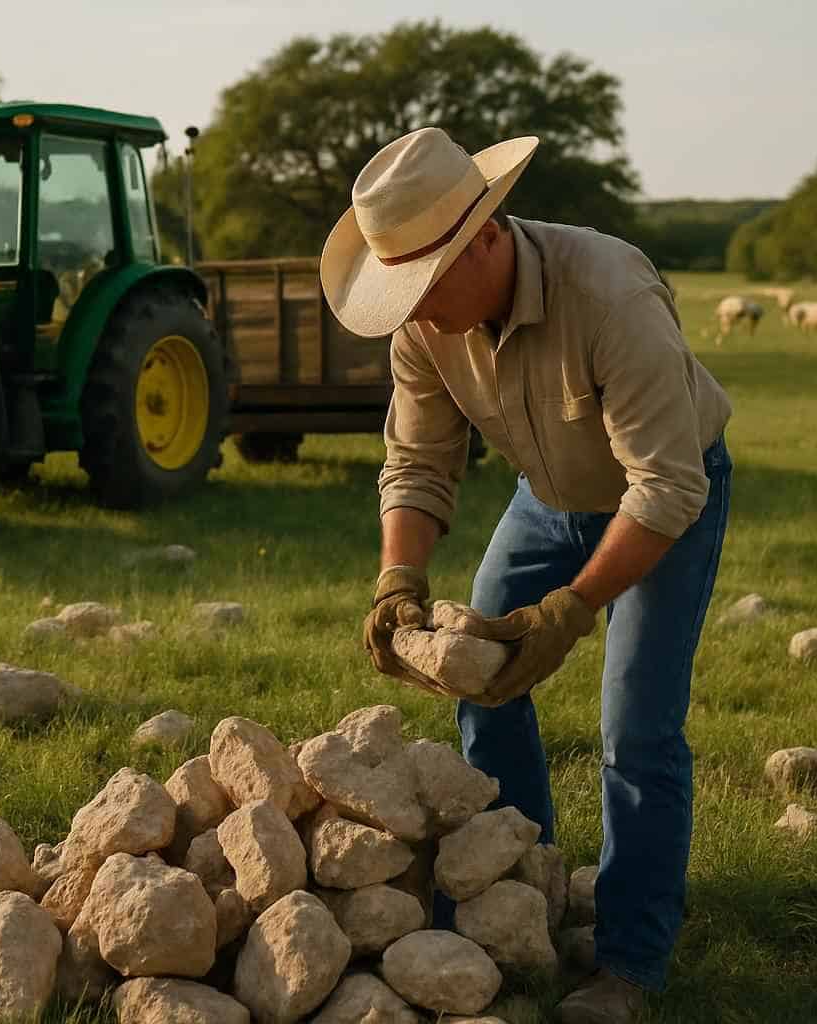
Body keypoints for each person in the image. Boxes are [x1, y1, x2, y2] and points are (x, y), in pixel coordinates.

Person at [321, 127, 732, 1024]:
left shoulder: (611, 294)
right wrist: (400, 579)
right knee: (482, 678)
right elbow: (419, 462)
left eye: (426, 288)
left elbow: (667, 487)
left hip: (664, 495)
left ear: (485, 235)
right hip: (547, 496)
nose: (418, 312)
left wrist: (572, 610)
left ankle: (631, 959)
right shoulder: (427, 328)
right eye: (403, 294)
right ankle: (524, 889)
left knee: (637, 728)